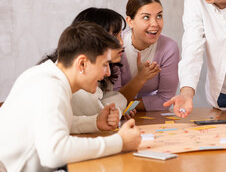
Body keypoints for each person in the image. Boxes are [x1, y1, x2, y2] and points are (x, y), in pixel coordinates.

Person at [0, 22, 141, 171]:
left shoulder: (42, 75)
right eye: (105, 64)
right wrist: (119, 142)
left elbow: (53, 124)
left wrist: (95, 122)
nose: (107, 73)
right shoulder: (50, 87)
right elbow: (53, 152)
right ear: (82, 64)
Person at [39, 8, 133, 117]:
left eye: (121, 35)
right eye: (114, 36)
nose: (121, 43)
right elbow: (100, 113)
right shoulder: (58, 85)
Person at [113, 0, 180, 111]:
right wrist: (140, 78)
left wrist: (126, 107)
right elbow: (112, 99)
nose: (155, 24)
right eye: (146, 17)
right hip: (114, 118)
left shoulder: (169, 48)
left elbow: (165, 100)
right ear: (130, 21)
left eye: (159, 16)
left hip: (149, 117)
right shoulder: (116, 46)